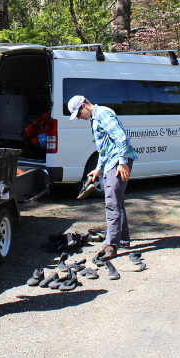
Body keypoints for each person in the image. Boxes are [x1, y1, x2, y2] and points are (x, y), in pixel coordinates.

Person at [68, 95, 138, 259]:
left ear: (84, 105)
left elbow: (120, 137)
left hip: (119, 162)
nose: (79, 118)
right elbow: (104, 147)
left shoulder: (103, 114)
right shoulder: (95, 119)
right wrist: (98, 169)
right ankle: (123, 239)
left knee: (112, 203)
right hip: (112, 162)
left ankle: (111, 245)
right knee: (117, 202)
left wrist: (122, 162)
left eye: (78, 114)